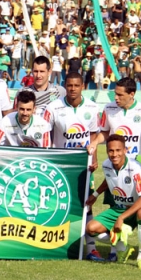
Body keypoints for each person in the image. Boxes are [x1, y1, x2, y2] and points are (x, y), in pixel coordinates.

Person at [43, 72, 101, 260]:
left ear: (83, 86)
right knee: (57, 203)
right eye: (69, 85)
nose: (73, 89)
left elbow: (93, 135)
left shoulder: (92, 107)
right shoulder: (53, 107)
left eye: (76, 85)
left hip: (83, 164)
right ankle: (54, 243)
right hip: (61, 163)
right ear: (65, 86)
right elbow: (45, 134)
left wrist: (94, 159)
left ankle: (91, 248)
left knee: (86, 204)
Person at [85, 135, 141, 270]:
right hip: (120, 208)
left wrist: (121, 218)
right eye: (111, 151)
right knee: (91, 229)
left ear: (125, 150)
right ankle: (123, 248)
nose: (114, 154)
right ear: (106, 151)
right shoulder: (106, 165)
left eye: (118, 150)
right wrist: (95, 194)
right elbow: (109, 179)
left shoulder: (136, 168)